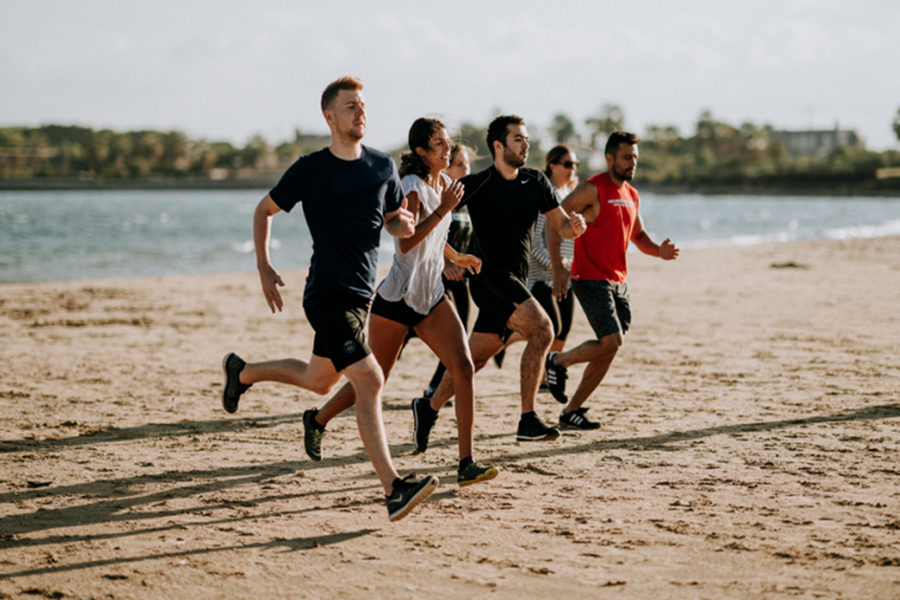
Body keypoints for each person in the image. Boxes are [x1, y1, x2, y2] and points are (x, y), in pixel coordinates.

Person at [219, 76, 438, 522]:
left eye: (363, 105)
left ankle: (242, 372)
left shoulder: (381, 166)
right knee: (371, 379)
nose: (360, 112)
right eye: (350, 106)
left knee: (319, 381)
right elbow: (264, 210)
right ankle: (394, 488)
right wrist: (263, 264)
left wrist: (405, 225)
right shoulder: (311, 168)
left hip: (361, 296)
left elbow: (394, 222)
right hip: (326, 295)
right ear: (330, 117)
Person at [302, 119, 499, 488]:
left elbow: (434, 237)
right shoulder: (411, 187)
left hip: (431, 297)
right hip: (396, 300)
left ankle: (466, 462)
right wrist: (444, 210)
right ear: (422, 152)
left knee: (464, 367)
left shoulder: (444, 186)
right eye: (438, 144)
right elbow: (407, 242)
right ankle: (317, 420)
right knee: (374, 378)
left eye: (447, 142)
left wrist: (456, 258)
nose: (447, 148)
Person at [411, 115, 587, 449]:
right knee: (543, 329)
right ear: (498, 145)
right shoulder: (477, 184)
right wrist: (450, 258)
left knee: (472, 361)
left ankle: (428, 407)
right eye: (518, 139)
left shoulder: (536, 181)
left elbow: (561, 226)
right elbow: (434, 220)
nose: (526, 144)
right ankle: (527, 419)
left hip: (515, 280)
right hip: (490, 279)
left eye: (526, 139)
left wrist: (575, 228)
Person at [544, 131, 679, 430]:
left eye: (635, 158)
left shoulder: (632, 194)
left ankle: (571, 411)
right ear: (610, 159)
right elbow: (555, 221)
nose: (632, 163)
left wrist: (660, 252)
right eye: (627, 157)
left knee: (610, 347)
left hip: (618, 282)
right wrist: (557, 267)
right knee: (612, 341)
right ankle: (557, 362)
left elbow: (639, 237)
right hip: (590, 278)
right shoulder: (591, 189)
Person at [494, 145, 580, 392]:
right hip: (543, 274)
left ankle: (546, 373)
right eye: (567, 164)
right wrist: (554, 264)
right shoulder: (547, 193)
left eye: (575, 165)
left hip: (565, 272)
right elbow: (533, 242)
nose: (572, 169)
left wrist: (569, 265)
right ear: (552, 165)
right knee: (553, 326)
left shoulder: (570, 193)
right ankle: (508, 343)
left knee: (565, 328)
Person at [421, 143, 478, 399]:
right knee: (415, 333)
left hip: (460, 281)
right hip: (437, 279)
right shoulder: (442, 199)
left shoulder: (468, 201)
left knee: (459, 337)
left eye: (467, 164)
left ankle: (436, 385)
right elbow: (427, 235)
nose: (466, 169)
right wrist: (446, 264)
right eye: (460, 165)